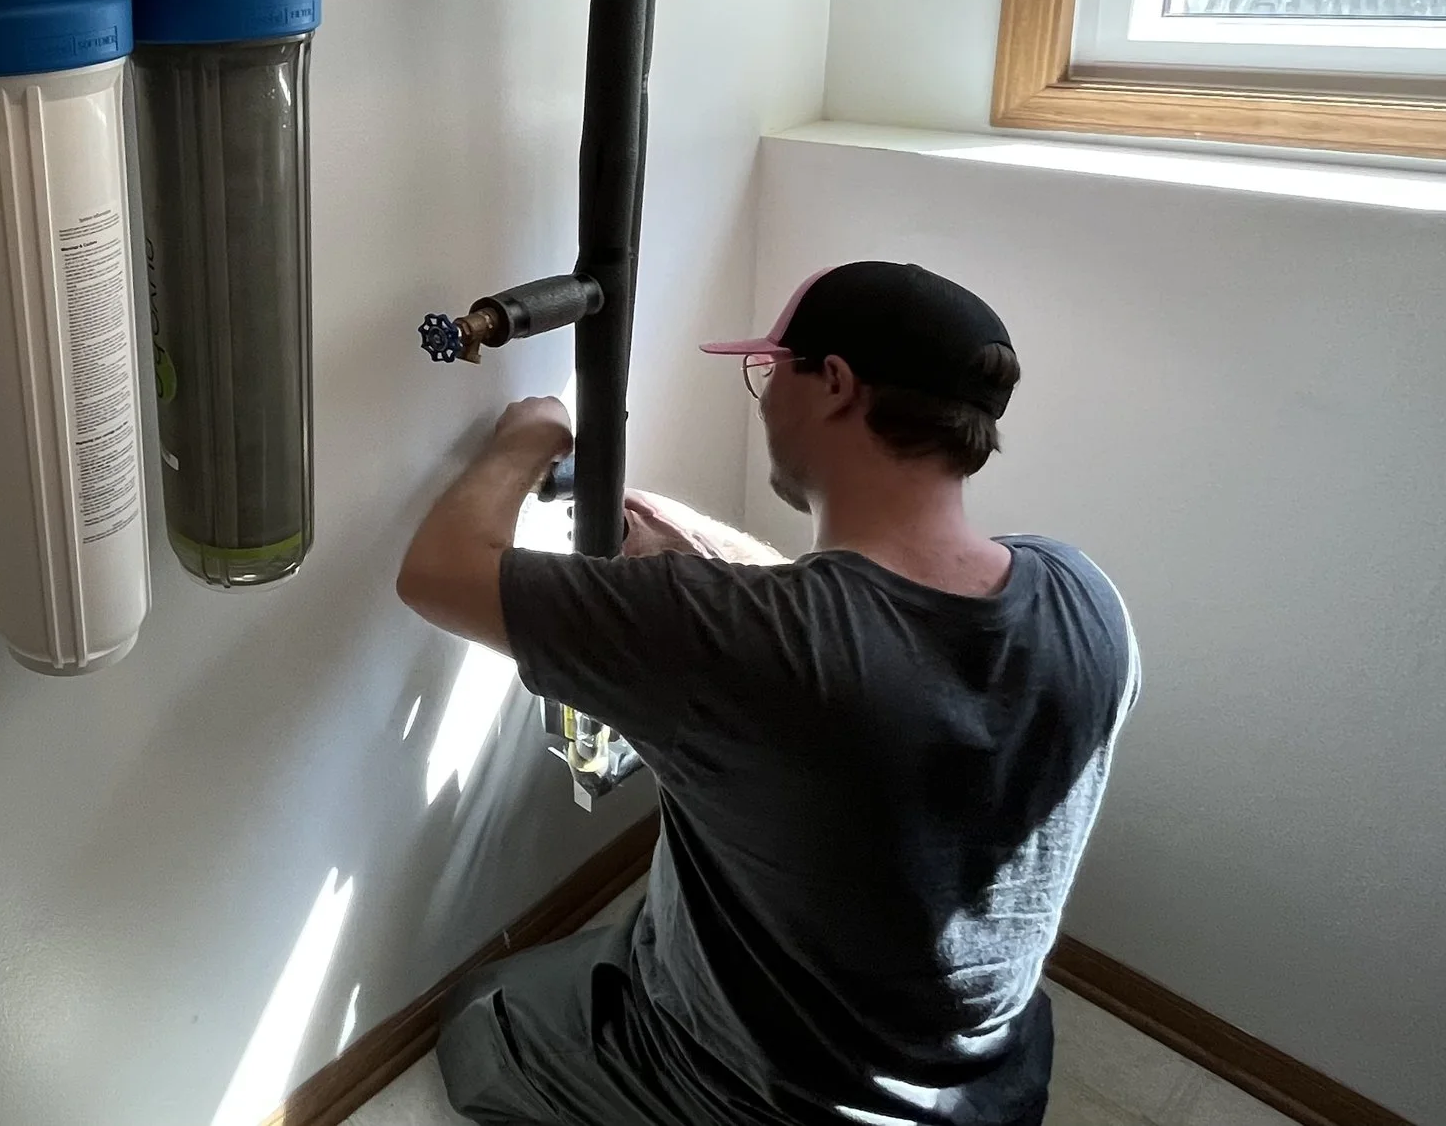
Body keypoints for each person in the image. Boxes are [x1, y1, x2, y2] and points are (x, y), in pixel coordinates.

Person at [395, 261, 1139, 1126]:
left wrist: (527, 438)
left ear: (835, 383)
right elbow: (870, 628)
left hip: (771, 1099)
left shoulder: (741, 646)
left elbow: (437, 571)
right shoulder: (1084, 596)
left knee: (478, 1019)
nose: (762, 396)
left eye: (768, 369)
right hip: (986, 1088)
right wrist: (699, 558)